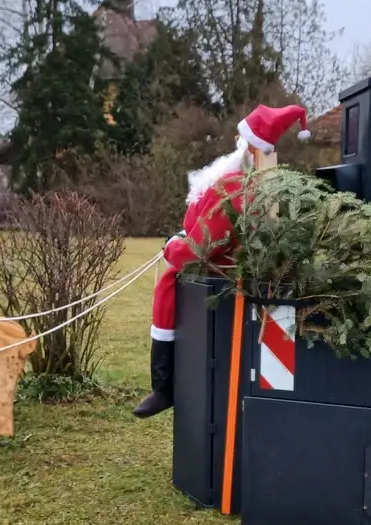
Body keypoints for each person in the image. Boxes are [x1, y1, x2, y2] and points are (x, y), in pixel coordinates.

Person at [133, 103, 310, 418]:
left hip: (218, 284)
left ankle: (164, 387)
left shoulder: (234, 190)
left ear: (248, 149)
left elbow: (201, 248)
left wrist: (173, 246)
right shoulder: (247, 185)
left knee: (169, 285)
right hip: (231, 277)